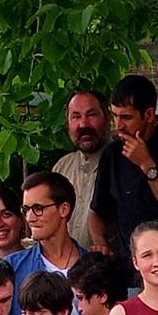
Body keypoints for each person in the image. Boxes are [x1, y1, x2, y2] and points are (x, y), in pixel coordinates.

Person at [91, 74, 158, 259]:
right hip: (128, 266)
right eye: (115, 116)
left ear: (149, 115)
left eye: (126, 117)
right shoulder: (112, 153)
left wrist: (146, 164)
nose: (118, 126)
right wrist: (100, 243)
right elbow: (97, 211)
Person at [6, 171, 86, 296]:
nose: (29, 218)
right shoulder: (12, 267)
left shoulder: (94, 268)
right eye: (26, 209)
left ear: (64, 209)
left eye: (38, 208)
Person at [52, 88, 111, 249]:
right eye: (76, 117)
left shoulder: (125, 163)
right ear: (67, 123)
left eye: (91, 115)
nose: (83, 124)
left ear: (107, 118)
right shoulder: (61, 167)